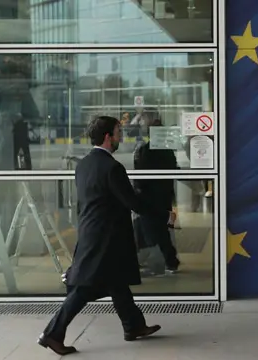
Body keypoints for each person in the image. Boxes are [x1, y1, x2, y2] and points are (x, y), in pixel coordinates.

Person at [37, 116, 176, 356]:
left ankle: (133, 326)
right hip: (106, 237)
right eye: (118, 132)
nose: (121, 136)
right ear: (107, 137)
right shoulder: (112, 168)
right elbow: (133, 202)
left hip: (94, 233)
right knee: (82, 289)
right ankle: (52, 333)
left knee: (117, 281)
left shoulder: (84, 165)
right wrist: (164, 215)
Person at [132, 110, 181, 276]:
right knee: (158, 230)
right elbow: (173, 170)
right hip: (164, 196)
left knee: (154, 231)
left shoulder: (145, 151)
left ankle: (163, 261)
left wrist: (136, 193)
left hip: (149, 198)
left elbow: (140, 177)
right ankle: (167, 260)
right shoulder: (167, 151)